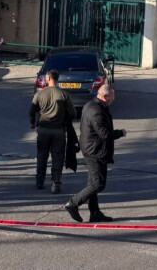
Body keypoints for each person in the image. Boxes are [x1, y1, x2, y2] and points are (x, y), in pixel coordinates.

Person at [63, 85, 126, 223]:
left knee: (92, 182)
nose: (114, 99)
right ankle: (73, 204)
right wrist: (120, 133)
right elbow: (104, 134)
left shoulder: (91, 105)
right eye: (112, 96)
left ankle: (95, 212)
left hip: (90, 148)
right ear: (105, 97)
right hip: (95, 152)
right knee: (98, 184)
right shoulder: (97, 112)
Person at [30, 68, 75, 193]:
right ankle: (56, 183)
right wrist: (65, 122)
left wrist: (32, 122)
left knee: (42, 156)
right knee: (58, 157)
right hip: (58, 131)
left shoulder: (39, 94)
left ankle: (40, 181)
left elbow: (32, 111)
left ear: (49, 78)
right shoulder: (64, 94)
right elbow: (72, 113)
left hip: (43, 130)